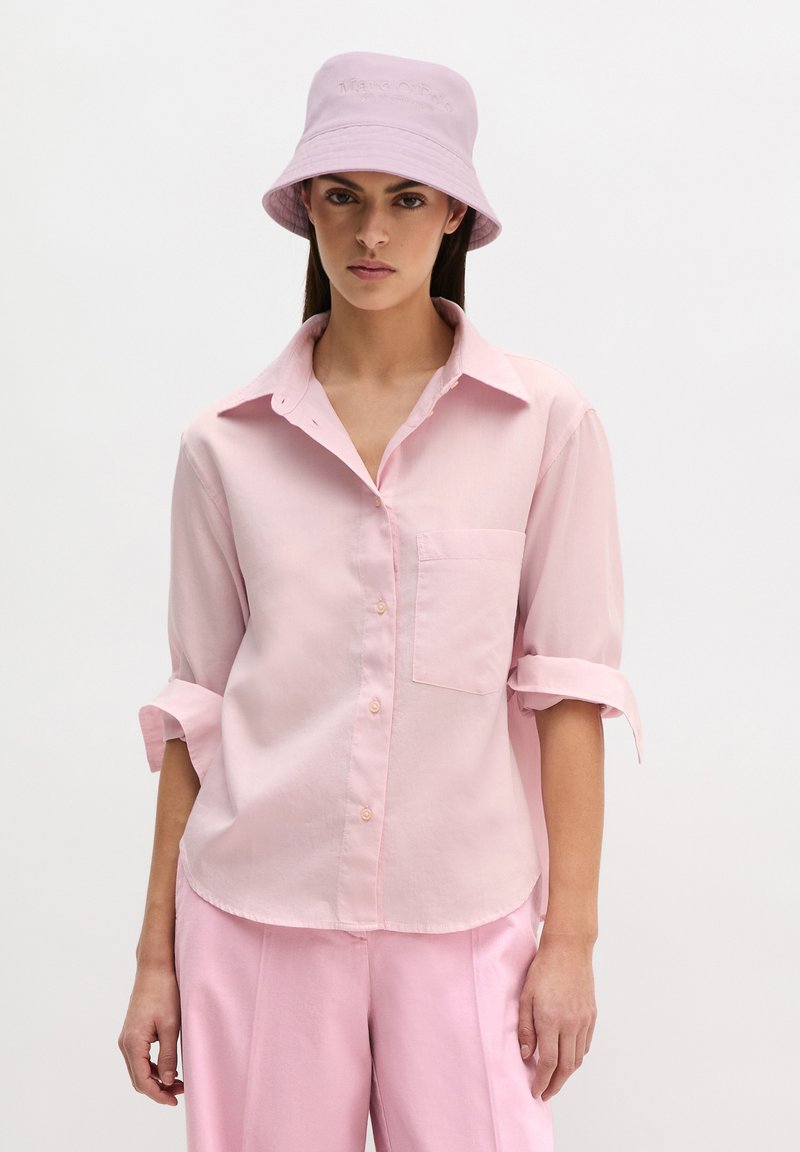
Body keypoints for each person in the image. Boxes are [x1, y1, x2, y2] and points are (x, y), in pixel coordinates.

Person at [118, 50, 643, 1152]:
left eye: (407, 199)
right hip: (254, 912)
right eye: (342, 195)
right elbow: (198, 708)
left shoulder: (544, 424)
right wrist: (153, 959)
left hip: (467, 918)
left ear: (453, 213)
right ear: (306, 206)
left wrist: (571, 942)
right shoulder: (224, 444)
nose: (371, 232)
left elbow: (568, 693)